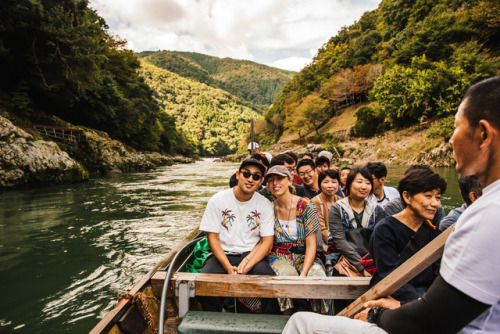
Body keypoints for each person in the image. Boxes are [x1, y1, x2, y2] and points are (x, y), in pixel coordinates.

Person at [283, 76, 500, 334]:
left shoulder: (488, 214)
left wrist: (376, 314)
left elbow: (429, 321)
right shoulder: (483, 210)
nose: (451, 140)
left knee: (299, 323)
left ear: (484, 134)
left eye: (456, 127)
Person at [198, 158, 278, 313]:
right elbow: (212, 238)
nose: (250, 179)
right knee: (202, 284)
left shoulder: (264, 204)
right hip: (223, 254)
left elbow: (267, 241)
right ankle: (218, 316)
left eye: (256, 176)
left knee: (270, 283)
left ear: (260, 181)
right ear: (238, 175)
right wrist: (228, 267)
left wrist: (247, 265)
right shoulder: (217, 200)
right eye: (246, 174)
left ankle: (268, 322)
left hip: (252, 255)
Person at [370, 169, 447, 301]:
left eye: (438, 197)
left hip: (425, 302)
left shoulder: (434, 233)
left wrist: (429, 302)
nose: (435, 203)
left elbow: (438, 276)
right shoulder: (385, 230)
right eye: (428, 196)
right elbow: (389, 276)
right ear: (407, 197)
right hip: (394, 298)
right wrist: (420, 302)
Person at [265, 165, 329, 314]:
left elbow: (311, 244)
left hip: (305, 255)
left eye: (280, 178)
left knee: (317, 277)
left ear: (290, 180)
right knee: (285, 275)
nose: (275, 183)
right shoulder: (268, 209)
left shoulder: (306, 206)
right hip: (278, 256)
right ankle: (287, 318)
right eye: (271, 180)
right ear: (267, 185)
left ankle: (319, 319)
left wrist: (304, 274)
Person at [328, 167, 386, 276]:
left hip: (371, 258)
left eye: (368, 183)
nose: (364, 187)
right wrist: (362, 268)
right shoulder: (337, 209)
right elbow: (340, 242)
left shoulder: (377, 210)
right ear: (349, 185)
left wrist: (369, 264)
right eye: (359, 182)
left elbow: (379, 240)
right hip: (343, 256)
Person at [311, 170, 342, 251]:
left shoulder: (342, 201)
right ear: (320, 184)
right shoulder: (315, 202)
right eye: (326, 182)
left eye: (334, 182)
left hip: (341, 242)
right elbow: (322, 230)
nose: (330, 186)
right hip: (326, 246)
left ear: (338, 184)